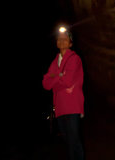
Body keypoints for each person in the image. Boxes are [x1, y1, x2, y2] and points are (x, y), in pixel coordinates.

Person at [42, 26, 85, 160]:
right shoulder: (55, 62)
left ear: (70, 43)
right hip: (60, 107)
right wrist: (59, 76)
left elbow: (67, 81)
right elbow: (45, 84)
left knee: (73, 140)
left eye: (65, 39)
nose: (61, 41)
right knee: (67, 139)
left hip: (72, 106)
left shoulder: (74, 59)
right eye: (59, 39)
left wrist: (55, 78)